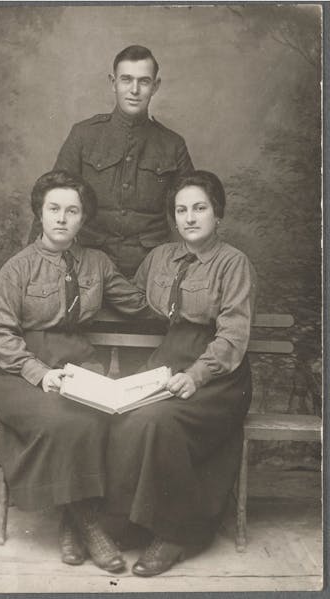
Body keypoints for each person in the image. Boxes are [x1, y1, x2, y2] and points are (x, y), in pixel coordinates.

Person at [0, 170, 150, 574]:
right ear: (40, 214)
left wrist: (186, 305)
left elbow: (139, 304)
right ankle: (89, 525)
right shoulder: (17, 269)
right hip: (21, 371)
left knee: (99, 416)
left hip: (78, 363)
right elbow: (2, 336)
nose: (62, 218)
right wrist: (40, 373)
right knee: (62, 420)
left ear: (83, 218)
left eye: (72, 211)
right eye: (54, 209)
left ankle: (69, 521)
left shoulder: (96, 264)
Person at [102, 171, 254, 576]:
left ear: (217, 213)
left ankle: (176, 534)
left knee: (158, 420)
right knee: (127, 416)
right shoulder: (159, 259)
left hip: (219, 375)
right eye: (181, 209)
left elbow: (233, 337)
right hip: (167, 361)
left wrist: (197, 375)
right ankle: (133, 525)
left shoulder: (233, 263)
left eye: (199, 208)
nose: (189, 217)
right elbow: (134, 301)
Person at [35, 45, 195, 277]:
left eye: (144, 81)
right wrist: (35, 263)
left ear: (155, 86)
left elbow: (194, 210)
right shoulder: (84, 135)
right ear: (113, 82)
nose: (134, 90)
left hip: (153, 268)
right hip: (87, 264)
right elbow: (50, 199)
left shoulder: (173, 144)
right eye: (126, 79)